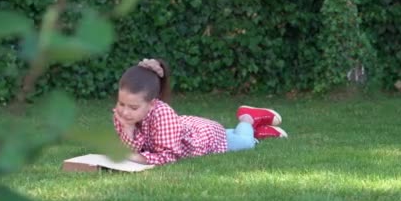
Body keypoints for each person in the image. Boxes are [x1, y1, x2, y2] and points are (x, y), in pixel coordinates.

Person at [112, 58, 288, 165]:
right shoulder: (122, 114)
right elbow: (132, 149)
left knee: (246, 144)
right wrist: (128, 129)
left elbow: (170, 156)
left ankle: (249, 120)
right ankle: (259, 131)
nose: (125, 112)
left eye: (133, 107)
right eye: (121, 103)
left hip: (206, 137)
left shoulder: (162, 114)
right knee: (232, 136)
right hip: (188, 128)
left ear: (151, 104)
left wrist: (140, 158)